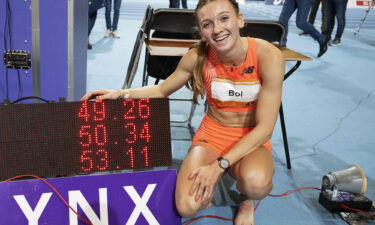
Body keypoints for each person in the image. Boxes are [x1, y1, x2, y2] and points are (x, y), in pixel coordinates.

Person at [82, 0, 284, 224]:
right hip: (213, 136)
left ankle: (246, 201)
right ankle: (213, 176)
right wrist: (122, 93)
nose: (217, 29)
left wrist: (219, 167)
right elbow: (161, 89)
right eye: (207, 24)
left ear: (240, 19)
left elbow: (265, 128)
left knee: (256, 184)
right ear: (201, 32)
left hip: (250, 137)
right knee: (186, 207)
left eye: (224, 18)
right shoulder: (197, 57)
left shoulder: (269, 56)